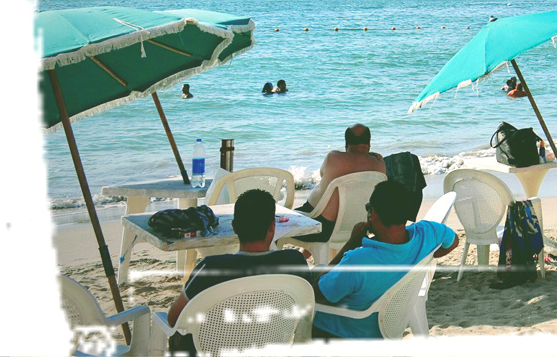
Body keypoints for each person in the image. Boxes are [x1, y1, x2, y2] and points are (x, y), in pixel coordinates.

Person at [163, 189, 314, 355]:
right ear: (272, 226)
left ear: (234, 227)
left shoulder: (211, 268)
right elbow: (306, 312)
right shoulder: (295, 261)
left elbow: (174, 319)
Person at [312, 180, 461, 340]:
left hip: (345, 333)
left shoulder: (358, 261)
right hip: (388, 331)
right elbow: (454, 241)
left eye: (368, 208)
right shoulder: (428, 233)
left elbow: (315, 295)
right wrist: (427, 256)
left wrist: (350, 244)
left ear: (373, 213)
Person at [296, 125, 386, 244]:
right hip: (357, 228)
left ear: (346, 143)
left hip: (320, 226)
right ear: (369, 143)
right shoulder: (380, 165)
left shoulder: (333, 158)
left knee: (275, 222)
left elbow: (322, 173)